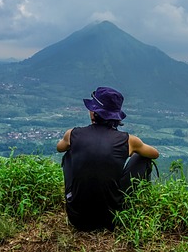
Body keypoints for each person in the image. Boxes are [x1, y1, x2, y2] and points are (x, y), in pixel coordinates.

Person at [56, 86, 159, 231]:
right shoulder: (128, 140)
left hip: (77, 218)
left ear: (93, 112)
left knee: (68, 155)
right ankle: (137, 204)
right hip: (113, 219)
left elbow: (59, 147)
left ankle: (75, 196)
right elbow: (154, 154)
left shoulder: (72, 134)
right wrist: (132, 149)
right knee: (143, 159)